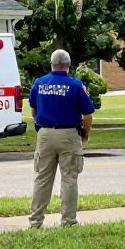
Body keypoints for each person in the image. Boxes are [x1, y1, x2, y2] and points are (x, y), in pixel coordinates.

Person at [28, 49, 95, 228]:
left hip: (45, 134)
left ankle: (35, 221)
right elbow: (88, 113)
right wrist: (85, 132)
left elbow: (33, 110)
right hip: (68, 135)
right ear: (68, 65)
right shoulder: (75, 85)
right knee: (69, 178)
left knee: (42, 178)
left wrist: (41, 125)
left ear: (51, 64)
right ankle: (68, 221)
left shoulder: (39, 84)